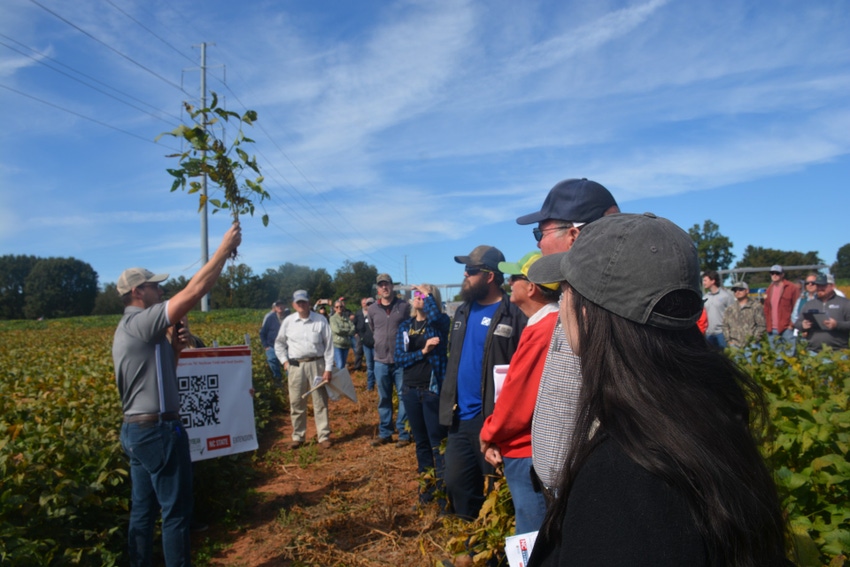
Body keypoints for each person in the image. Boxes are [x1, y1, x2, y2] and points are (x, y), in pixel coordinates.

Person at [526, 213, 788, 566]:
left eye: (566, 290)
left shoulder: (620, 476)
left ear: (587, 313)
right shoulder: (710, 413)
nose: (563, 304)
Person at [112, 222, 241, 567]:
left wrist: (175, 347)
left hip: (138, 430)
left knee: (143, 510)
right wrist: (224, 250)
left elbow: (162, 376)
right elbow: (195, 289)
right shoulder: (140, 322)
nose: (161, 291)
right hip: (157, 431)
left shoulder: (137, 331)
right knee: (176, 512)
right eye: (156, 286)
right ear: (139, 292)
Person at [515, 177, 619, 498]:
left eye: (540, 233)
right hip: (573, 486)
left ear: (573, 235)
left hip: (593, 489)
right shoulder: (575, 292)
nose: (537, 244)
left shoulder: (605, 303)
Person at [439, 245, 527, 520]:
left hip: (492, 419)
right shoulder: (462, 312)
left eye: (472, 270)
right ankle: (470, 545)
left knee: (496, 490)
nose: (465, 274)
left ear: (490, 276)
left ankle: (494, 555)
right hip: (459, 418)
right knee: (456, 484)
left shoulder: (513, 314)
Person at [479, 251, 559, 535]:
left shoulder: (543, 330)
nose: (509, 282)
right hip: (531, 449)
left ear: (531, 287)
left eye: (514, 278)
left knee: (533, 534)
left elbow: (517, 401)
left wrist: (488, 433)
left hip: (527, 452)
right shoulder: (547, 324)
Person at [394, 284, 450, 509]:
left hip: (431, 390)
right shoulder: (405, 326)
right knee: (422, 444)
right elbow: (399, 358)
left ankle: (444, 493)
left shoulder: (439, 322)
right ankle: (426, 491)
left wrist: (428, 297)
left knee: (438, 443)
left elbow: (435, 315)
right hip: (410, 389)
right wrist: (423, 352)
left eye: (423, 296)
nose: (418, 298)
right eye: (416, 295)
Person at [275, 289, 334, 450]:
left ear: (309, 302)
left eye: (304, 302)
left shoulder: (320, 320)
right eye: (298, 302)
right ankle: (298, 436)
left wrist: (328, 369)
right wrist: (284, 362)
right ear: (294, 305)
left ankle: (323, 436)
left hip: (317, 364)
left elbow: (329, 347)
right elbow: (279, 344)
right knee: (296, 401)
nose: (301, 305)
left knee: (320, 401)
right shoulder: (288, 322)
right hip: (295, 366)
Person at [368, 274, 411, 447]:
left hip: (400, 360)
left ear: (393, 286)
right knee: (384, 398)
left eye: (387, 284)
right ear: (378, 289)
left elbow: (410, 328)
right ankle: (385, 432)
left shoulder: (404, 306)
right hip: (380, 361)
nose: (384, 287)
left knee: (403, 397)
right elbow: (373, 329)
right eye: (381, 285)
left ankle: (403, 433)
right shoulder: (372, 309)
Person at [795, 273, 850, 351]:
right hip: (813, 352)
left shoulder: (844, 303)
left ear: (832, 286)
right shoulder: (809, 304)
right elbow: (797, 323)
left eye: (823, 285)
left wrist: (837, 325)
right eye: (818, 285)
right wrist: (803, 325)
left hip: (838, 352)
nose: (819, 288)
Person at [764, 264, 800, 355]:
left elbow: (797, 307)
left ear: (782, 274)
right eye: (772, 273)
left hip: (786, 328)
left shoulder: (792, 288)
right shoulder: (769, 289)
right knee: (777, 357)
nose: (774, 275)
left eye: (777, 273)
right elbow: (767, 309)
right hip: (772, 329)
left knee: (790, 356)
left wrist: (791, 325)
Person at [721, 280, 766, 349]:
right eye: (735, 290)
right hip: (735, 346)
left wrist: (755, 339)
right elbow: (725, 326)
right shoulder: (730, 309)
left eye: (740, 289)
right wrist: (729, 341)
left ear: (747, 291)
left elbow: (761, 325)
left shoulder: (755, 306)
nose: (737, 292)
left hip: (752, 345)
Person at [701, 270, 734, 349]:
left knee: (724, 356)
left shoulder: (726, 296)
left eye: (705, 280)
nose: (703, 283)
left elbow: (733, 314)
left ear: (713, 281)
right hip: (709, 333)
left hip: (722, 333)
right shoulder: (705, 297)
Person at [260, 300, 286, 387]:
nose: (280, 307)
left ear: (284, 307)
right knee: (272, 361)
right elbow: (262, 332)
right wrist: (265, 346)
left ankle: (289, 383)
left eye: (281, 305)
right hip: (272, 346)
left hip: (287, 347)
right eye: (278, 306)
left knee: (289, 364)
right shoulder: (270, 318)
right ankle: (278, 380)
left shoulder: (289, 318)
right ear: (275, 308)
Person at [354, 297, 377, 390]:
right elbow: (360, 328)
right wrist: (362, 338)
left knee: (377, 366)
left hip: (376, 345)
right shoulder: (363, 316)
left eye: (371, 304)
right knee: (370, 366)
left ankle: (379, 386)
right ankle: (370, 386)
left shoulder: (378, 316)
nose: (369, 306)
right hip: (367, 345)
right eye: (368, 304)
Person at [330, 299, 356, 371]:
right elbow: (337, 330)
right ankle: (338, 381)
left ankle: (340, 380)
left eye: (341, 306)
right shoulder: (332, 319)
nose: (339, 308)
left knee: (343, 364)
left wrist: (344, 330)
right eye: (337, 307)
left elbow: (353, 328)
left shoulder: (346, 318)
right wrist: (348, 330)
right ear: (334, 308)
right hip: (337, 345)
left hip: (346, 344)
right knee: (340, 365)